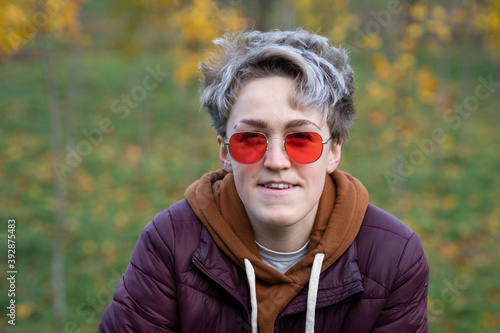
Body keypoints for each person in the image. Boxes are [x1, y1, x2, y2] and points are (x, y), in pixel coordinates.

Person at [99, 30, 428, 333]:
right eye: (251, 139)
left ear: (334, 152)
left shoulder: (394, 257)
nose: (275, 162)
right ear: (225, 152)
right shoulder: (169, 242)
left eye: (301, 139)